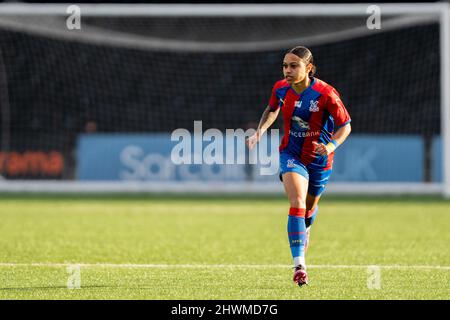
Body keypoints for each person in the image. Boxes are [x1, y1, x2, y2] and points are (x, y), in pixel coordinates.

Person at [246, 46, 352, 286]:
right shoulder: (280, 88)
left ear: (309, 68)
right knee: (297, 202)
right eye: (285, 65)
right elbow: (271, 109)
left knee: (309, 209)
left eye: (294, 66)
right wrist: (259, 132)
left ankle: (306, 226)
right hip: (291, 153)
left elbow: (345, 125)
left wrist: (331, 146)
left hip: (320, 158)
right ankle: (299, 266)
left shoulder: (326, 93)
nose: (288, 70)